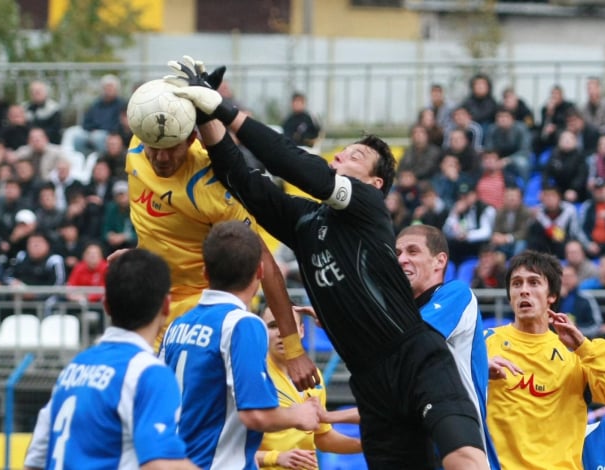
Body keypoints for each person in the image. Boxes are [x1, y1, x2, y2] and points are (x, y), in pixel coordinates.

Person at [168, 57, 488, 469]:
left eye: (355, 156)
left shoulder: (369, 207)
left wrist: (226, 108)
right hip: (371, 384)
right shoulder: (305, 222)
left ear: (375, 183)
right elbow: (241, 178)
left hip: (417, 359)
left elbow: (298, 167)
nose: (341, 156)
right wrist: (205, 114)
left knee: (462, 457)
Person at [123, 78, 316, 391]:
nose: (160, 159)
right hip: (151, 300)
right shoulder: (142, 136)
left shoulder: (211, 187)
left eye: (171, 149)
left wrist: (294, 351)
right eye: (153, 150)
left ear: (191, 139)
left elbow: (263, 262)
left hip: (202, 311)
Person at [161, 221, 321, 469]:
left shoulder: (176, 325)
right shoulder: (242, 324)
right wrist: (299, 415)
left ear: (205, 273)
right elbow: (255, 413)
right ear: (260, 272)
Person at [23, 249, 199, 470]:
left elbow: (35, 461)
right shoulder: (149, 373)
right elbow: (159, 464)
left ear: (106, 305)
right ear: (166, 306)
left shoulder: (74, 368)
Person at [484, 250, 605, 470]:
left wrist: (583, 347)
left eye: (534, 282)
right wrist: (476, 368)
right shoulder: (484, 344)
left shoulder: (579, 353)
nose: (524, 290)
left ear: (552, 296)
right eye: (516, 284)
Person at [396, 224, 497, 467]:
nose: (401, 260)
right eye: (397, 253)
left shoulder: (456, 293)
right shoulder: (401, 314)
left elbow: (413, 339)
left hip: (463, 442)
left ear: (439, 261)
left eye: (412, 251)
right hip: (421, 443)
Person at [256, 303, 362, 469]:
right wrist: (275, 457)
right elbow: (228, 450)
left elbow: (323, 437)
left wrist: (364, 445)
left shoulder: (314, 376)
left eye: (289, 325)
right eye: (273, 326)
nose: (282, 332)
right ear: (260, 331)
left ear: (302, 330)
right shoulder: (252, 376)